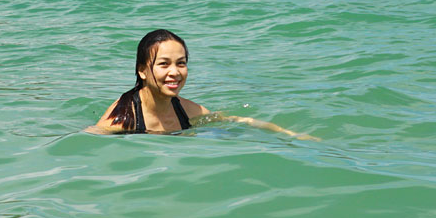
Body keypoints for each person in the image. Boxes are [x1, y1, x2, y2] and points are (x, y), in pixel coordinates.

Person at [92, 29, 319, 140]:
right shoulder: (122, 118)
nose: (175, 72)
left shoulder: (188, 110)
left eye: (181, 64)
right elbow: (88, 142)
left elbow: (237, 121)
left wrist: (291, 135)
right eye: (163, 64)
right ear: (142, 70)